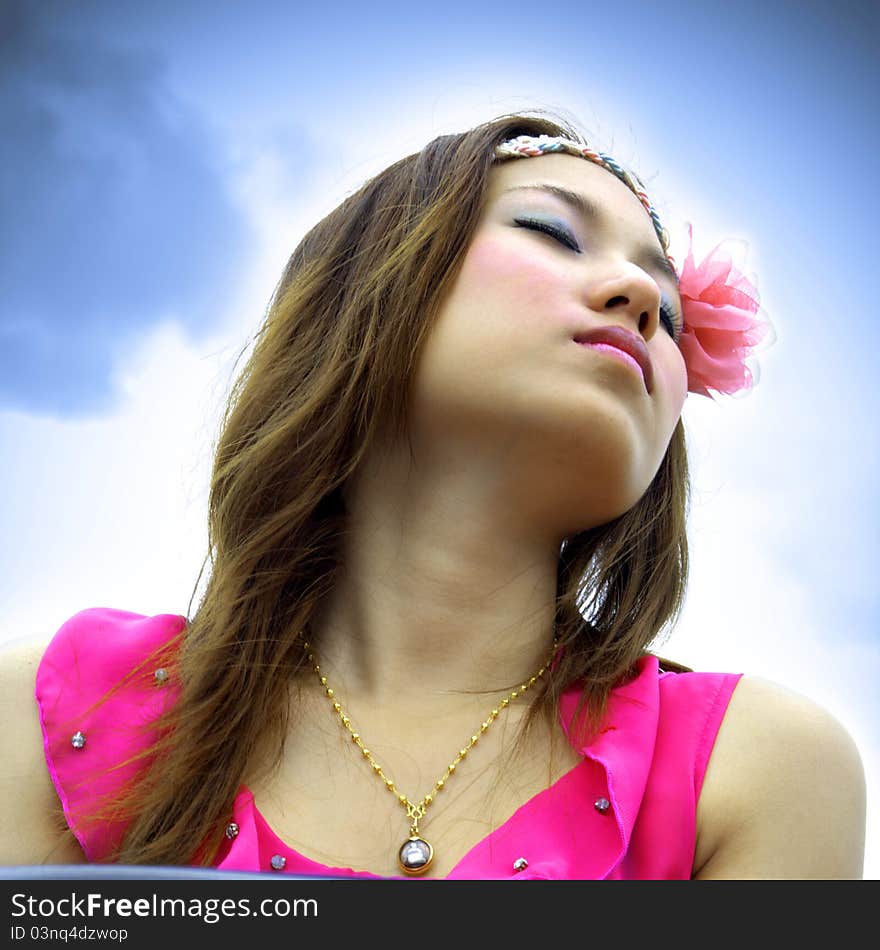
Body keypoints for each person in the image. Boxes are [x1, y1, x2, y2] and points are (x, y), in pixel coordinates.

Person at [0, 111, 866, 879]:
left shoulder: (761, 770)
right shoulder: (52, 711)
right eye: (552, 231)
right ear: (367, 293)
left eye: (673, 318)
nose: (642, 296)